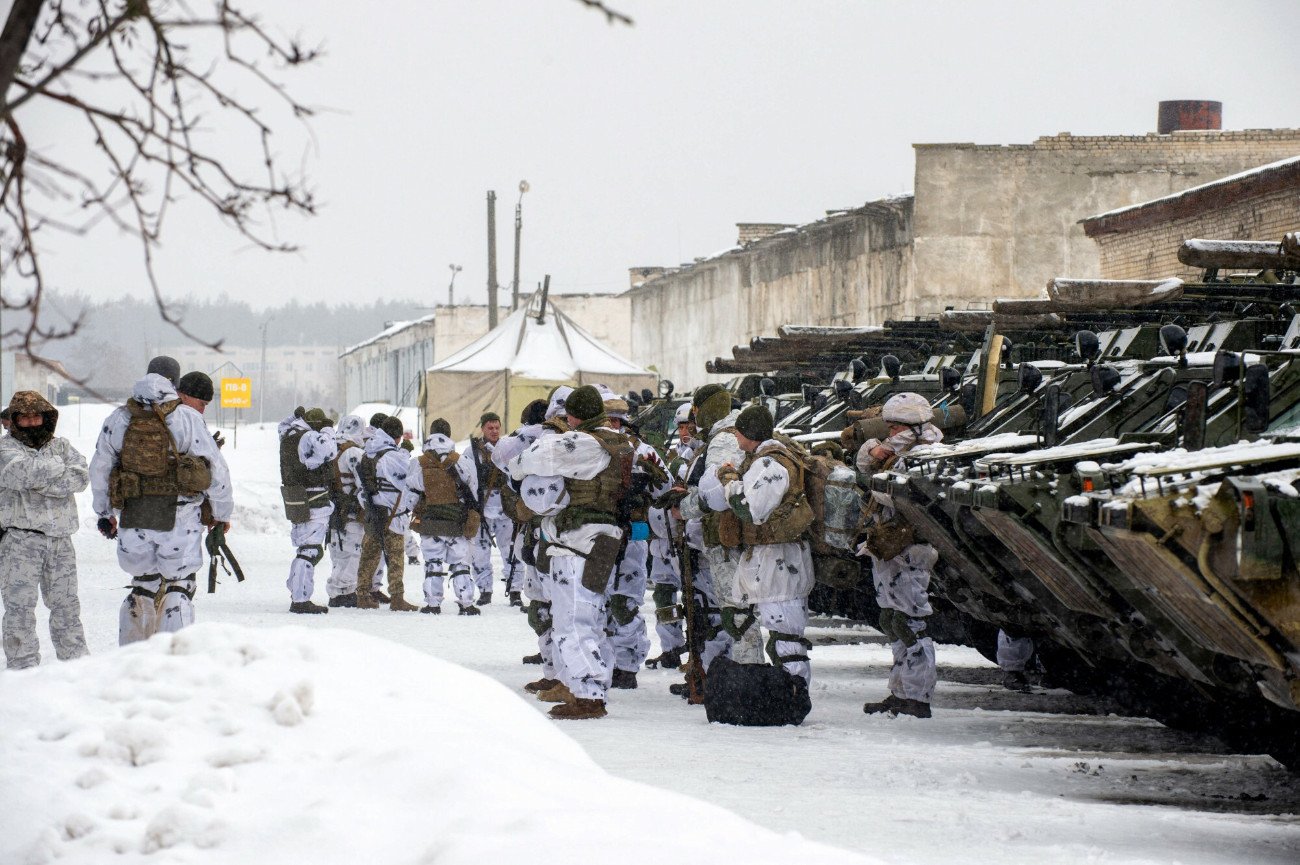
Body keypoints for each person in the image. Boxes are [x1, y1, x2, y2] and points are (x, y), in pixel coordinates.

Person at [508, 384, 630, 720]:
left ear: (575, 415)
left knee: (572, 621)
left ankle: (589, 695)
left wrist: (520, 467)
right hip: (603, 540)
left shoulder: (583, 443)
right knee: (592, 618)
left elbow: (527, 461)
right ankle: (593, 687)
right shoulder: (618, 441)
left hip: (577, 543)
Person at [90, 372, 232, 643]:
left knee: (142, 585)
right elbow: (216, 471)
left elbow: (100, 469)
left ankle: (131, 657)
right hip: (179, 517)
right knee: (179, 586)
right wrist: (222, 513)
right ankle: (173, 659)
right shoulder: (187, 418)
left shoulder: (119, 419)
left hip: (133, 515)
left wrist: (104, 513)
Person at [857, 392, 943, 719]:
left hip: (912, 547)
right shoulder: (900, 451)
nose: (890, 433)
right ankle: (900, 690)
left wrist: (876, 479)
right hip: (891, 544)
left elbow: (903, 496)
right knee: (892, 620)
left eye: (894, 428)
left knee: (911, 622)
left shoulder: (925, 454)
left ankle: (918, 696)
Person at [716, 404, 814, 688]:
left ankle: (796, 693)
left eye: (739, 432)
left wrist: (730, 482)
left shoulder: (769, 464)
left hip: (780, 561)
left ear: (750, 433)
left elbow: (752, 511)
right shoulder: (763, 458)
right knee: (779, 631)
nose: (735, 437)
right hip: (774, 560)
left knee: (786, 634)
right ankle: (788, 691)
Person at [677, 385, 765, 686]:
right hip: (721, 537)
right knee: (729, 610)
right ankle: (733, 676)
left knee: (737, 612)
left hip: (726, 538)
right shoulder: (726, 435)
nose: (694, 416)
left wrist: (685, 507)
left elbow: (717, 493)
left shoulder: (723, 440)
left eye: (697, 409)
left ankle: (748, 682)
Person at [0, 391, 90, 669]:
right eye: (24, 417)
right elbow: (20, 473)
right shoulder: (5, 450)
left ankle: (76, 663)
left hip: (61, 540)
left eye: (36, 416)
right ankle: (23, 666)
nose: (31, 422)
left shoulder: (61, 446)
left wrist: (39, 481)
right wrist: (53, 471)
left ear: (46, 417)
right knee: (20, 609)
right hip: (21, 541)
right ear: (15, 419)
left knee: (66, 606)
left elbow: (80, 477)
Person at [409, 419, 480, 615]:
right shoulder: (461, 462)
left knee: (433, 564)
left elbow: (410, 497)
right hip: (456, 522)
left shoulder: (419, 463)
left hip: (431, 523)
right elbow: (472, 492)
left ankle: (433, 604)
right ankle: (467, 604)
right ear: (449, 436)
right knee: (460, 564)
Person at [278, 407, 338, 614]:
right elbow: (330, 450)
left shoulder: (288, 435)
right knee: (310, 550)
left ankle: (296, 588)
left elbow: (282, 425)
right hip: (313, 497)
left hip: (296, 497)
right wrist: (329, 430)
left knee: (305, 548)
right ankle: (301, 598)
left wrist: (294, 416)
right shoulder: (309, 437)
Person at [355, 415, 419, 611]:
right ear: (398, 436)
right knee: (396, 558)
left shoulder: (369, 453)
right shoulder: (394, 456)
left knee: (369, 555)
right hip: (392, 513)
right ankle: (397, 598)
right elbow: (409, 478)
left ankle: (362, 595)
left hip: (374, 510)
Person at [465, 411, 521, 606]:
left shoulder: (509, 448)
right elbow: (467, 478)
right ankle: (485, 590)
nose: (494, 431)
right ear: (482, 429)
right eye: (490, 428)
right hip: (482, 508)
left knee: (511, 550)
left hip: (506, 508)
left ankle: (515, 591)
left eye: (497, 427)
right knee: (480, 552)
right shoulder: (472, 451)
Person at [324, 415, 367, 607]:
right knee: (354, 553)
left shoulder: (328, 448)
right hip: (351, 509)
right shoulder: (354, 452)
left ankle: (337, 592)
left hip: (332, 509)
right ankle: (344, 591)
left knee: (338, 553)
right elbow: (364, 483)